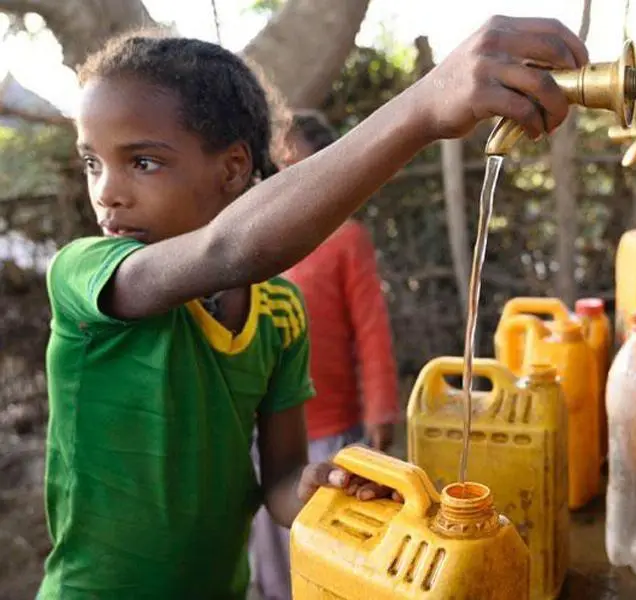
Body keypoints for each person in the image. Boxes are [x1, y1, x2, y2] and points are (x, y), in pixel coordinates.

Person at [39, 16, 589, 600]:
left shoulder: (279, 313)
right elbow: (227, 250)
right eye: (92, 162)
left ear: (232, 169)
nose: (106, 192)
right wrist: (426, 105)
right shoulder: (86, 278)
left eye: (142, 162)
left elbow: (278, 483)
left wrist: (323, 488)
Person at [248, 111, 399, 600]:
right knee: (273, 552)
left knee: (327, 546)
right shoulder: (255, 242)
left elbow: (371, 327)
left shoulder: (347, 238)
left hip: (331, 429)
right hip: (266, 432)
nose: (289, 182)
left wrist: (381, 408)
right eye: (281, 169)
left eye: (303, 170)